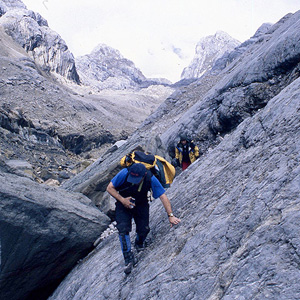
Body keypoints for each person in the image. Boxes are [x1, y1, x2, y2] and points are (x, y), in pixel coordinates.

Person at [106, 163, 181, 274]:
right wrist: (123, 200)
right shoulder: (125, 173)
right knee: (123, 228)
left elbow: (163, 196)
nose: (134, 180)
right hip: (123, 203)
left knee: (144, 229)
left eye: (137, 179)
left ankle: (139, 243)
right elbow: (109, 187)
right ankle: (128, 259)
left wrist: (170, 216)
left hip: (141, 203)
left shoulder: (150, 178)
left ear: (144, 174)